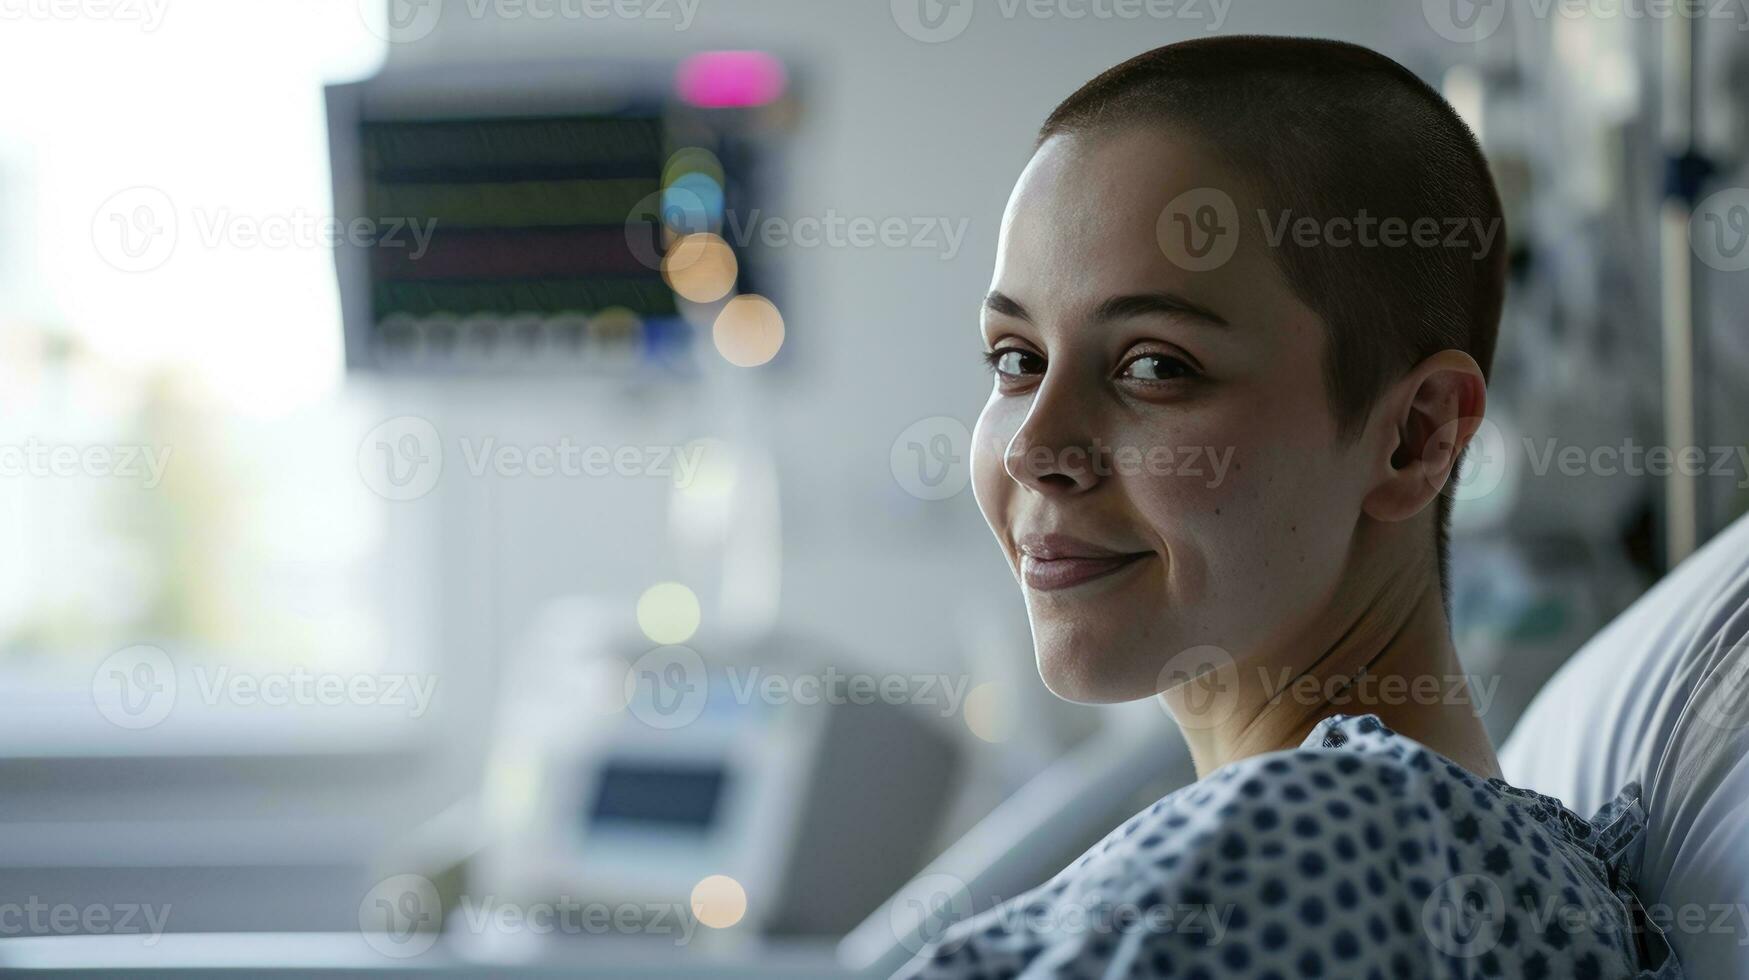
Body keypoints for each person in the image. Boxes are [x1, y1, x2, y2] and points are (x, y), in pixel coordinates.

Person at [894, 35, 1682, 979]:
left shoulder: (1328, 835)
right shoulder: (1404, 846)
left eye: (1154, 367)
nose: (1033, 449)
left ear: (1416, 436)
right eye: (1016, 359)